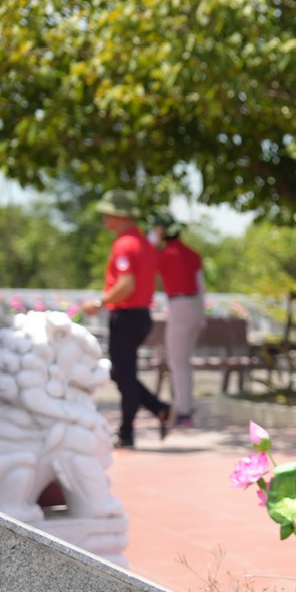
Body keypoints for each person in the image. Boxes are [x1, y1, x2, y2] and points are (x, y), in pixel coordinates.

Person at [81, 190, 174, 448]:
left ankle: (128, 432)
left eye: (108, 213)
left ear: (119, 216)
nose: (104, 218)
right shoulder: (143, 242)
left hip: (127, 315)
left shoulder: (124, 244)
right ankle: (157, 411)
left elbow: (127, 284)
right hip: (141, 316)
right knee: (124, 375)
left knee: (124, 376)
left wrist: (99, 303)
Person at [150, 211, 205, 429]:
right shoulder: (193, 254)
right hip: (194, 307)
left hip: (180, 307)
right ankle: (186, 406)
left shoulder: (164, 255)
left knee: (178, 363)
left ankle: (184, 412)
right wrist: (202, 319)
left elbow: (145, 263)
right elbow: (201, 288)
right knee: (184, 362)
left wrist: (152, 243)